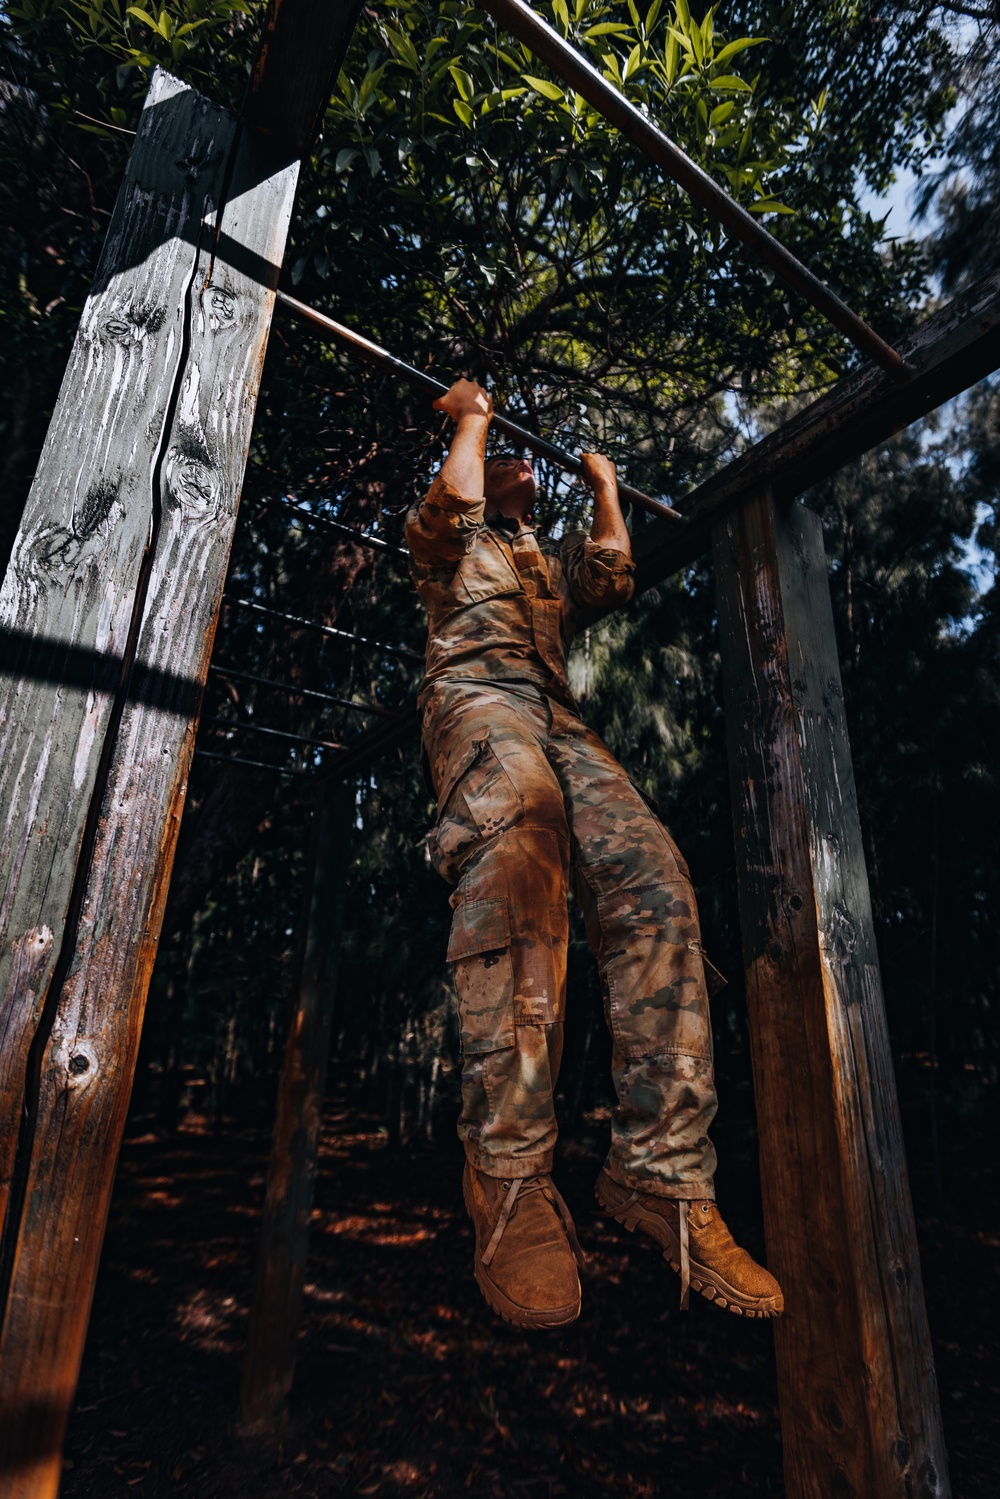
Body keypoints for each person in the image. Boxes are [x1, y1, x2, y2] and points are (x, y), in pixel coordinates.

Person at [405, 377, 783, 1329]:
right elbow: (449, 505)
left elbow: (610, 576)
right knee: (524, 845)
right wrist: (472, 419)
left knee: (657, 879)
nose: (524, 465)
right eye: (506, 463)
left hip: (558, 721)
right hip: (477, 701)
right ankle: (510, 1174)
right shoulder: (450, 547)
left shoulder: (536, 562)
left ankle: (660, 1173)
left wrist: (606, 484)